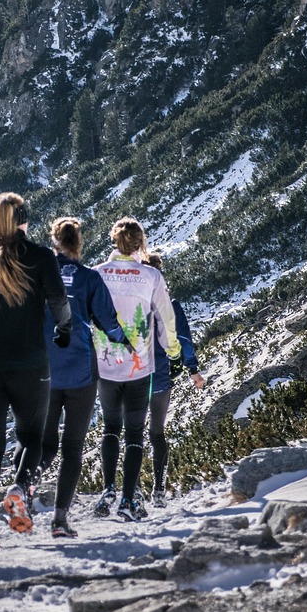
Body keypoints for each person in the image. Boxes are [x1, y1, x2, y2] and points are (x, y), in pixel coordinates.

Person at [0, 192, 72, 548]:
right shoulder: (41, 257)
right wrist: (64, 330)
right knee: (32, 437)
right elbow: (58, 301)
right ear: (25, 221)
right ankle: (20, 487)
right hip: (28, 361)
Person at [39, 216, 129, 538]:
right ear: (79, 243)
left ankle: (24, 485)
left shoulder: (40, 275)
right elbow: (108, 322)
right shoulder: (90, 279)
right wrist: (126, 342)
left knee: (43, 442)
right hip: (80, 371)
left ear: (54, 242)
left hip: (46, 371)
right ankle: (60, 520)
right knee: (72, 448)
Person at [92, 217, 182, 521]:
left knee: (110, 428)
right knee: (134, 434)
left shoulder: (98, 274)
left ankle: (107, 489)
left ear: (113, 242)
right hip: (139, 368)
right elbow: (165, 319)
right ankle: (129, 499)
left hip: (106, 365)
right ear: (140, 244)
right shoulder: (151, 275)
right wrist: (173, 352)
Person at [144, 252, 205, 505]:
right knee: (157, 433)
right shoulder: (171, 304)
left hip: (130, 375)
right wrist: (193, 370)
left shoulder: (133, 302)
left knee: (133, 432)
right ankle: (158, 488)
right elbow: (184, 340)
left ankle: (129, 492)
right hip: (160, 377)